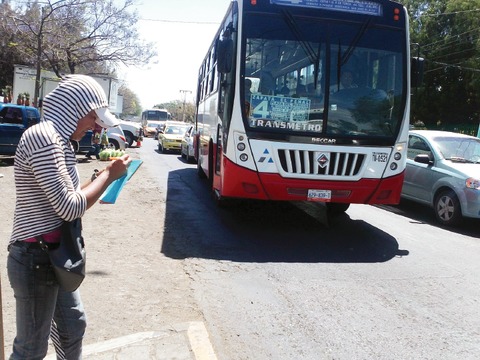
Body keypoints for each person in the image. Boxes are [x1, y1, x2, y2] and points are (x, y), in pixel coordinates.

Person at [7, 74, 131, 359]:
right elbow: (69, 207)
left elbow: (69, 196)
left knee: (72, 327)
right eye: (92, 117)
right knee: (30, 350)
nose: (95, 126)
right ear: (73, 109)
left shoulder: (59, 142)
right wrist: (109, 177)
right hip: (34, 257)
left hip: (52, 256)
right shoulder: (43, 138)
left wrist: (100, 178)